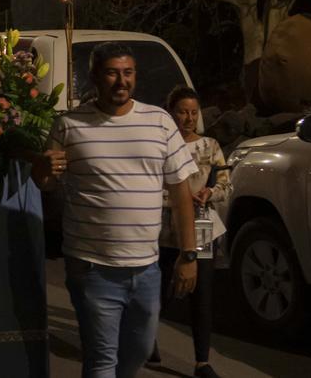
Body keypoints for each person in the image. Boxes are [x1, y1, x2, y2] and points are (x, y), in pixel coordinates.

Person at [46, 43, 199, 378]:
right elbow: (47, 183)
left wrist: (189, 255)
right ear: (95, 77)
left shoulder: (159, 121)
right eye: (112, 72)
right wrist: (42, 169)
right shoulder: (69, 125)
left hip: (146, 268)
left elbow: (181, 192)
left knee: (140, 351)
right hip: (92, 267)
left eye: (127, 72)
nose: (121, 81)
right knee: (102, 360)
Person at [148, 87, 231, 378]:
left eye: (194, 112)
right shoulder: (161, 145)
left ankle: (201, 361)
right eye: (183, 111)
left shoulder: (210, 146)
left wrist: (210, 192)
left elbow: (226, 183)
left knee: (203, 292)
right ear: (171, 112)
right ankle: (149, 343)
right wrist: (177, 199)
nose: (189, 118)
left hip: (203, 224)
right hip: (164, 225)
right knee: (157, 290)